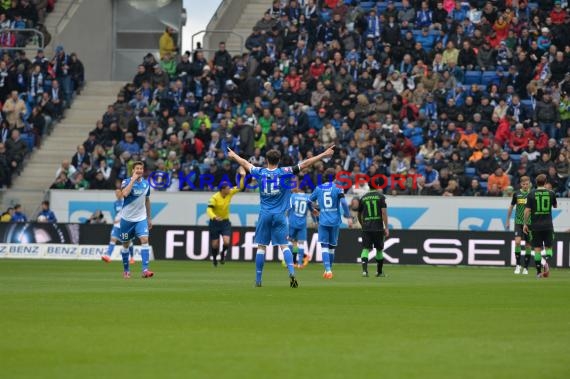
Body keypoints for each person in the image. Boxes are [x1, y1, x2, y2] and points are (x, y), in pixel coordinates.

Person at [227, 145, 335, 288]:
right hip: (280, 215)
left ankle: (258, 280)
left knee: (261, 247)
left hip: (265, 214)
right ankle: (292, 273)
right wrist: (323, 154)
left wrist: (234, 155)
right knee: (284, 246)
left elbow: (245, 163)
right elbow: (306, 163)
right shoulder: (285, 171)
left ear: (266, 160)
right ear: (279, 161)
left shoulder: (260, 172)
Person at [309, 168, 352, 279]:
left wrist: (312, 210)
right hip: (335, 221)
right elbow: (343, 203)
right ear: (335, 177)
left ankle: (328, 270)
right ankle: (329, 270)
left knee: (324, 246)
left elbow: (308, 201)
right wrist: (348, 216)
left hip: (323, 220)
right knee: (331, 247)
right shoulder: (338, 188)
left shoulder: (318, 188)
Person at [119, 161, 153, 279]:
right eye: (137, 168)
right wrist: (133, 180)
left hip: (141, 218)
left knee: (144, 239)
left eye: (141, 169)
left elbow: (147, 200)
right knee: (125, 245)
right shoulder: (126, 181)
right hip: (127, 219)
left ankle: (145, 270)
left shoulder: (146, 184)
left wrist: (149, 218)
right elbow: (124, 194)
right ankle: (126, 270)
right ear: (133, 170)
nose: (139, 170)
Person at [207, 166, 246, 266]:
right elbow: (209, 209)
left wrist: (242, 177)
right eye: (228, 188)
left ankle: (223, 254)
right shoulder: (214, 198)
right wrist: (214, 217)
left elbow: (239, 187)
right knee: (215, 244)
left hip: (225, 222)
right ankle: (215, 258)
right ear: (222, 190)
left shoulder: (229, 194)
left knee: (226, 242)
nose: (230, 189)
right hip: (215, 222)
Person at [523, 174, 557, 278]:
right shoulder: (551, 193)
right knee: (549, 248)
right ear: (545, 182)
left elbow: (527, 211)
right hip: (548, 225)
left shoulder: (531, 194)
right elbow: (555, 206)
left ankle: (538, 272)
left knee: (537, 249)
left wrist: (525, 223)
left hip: (535, 226)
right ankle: (546, 262)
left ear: (536, 182)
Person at [358, 189, 389, 277]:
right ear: (378, 186)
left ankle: (364, 271)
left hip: (366, 228)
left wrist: (362, 224)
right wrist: (386, 227)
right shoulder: (381, 197)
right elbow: (384, 213)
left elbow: (359, 214)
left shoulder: (363, 198)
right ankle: (379, 272)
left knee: (365, 249)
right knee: (379, 249)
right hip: (378, 228)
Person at [505, 176, 532, 275]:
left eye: (527, 184)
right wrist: (507, 220)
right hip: (518, 222)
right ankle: (517, 265)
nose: (525, 186)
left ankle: (526, 267)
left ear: (529, 184)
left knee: (528, 245)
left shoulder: (532, 194)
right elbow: (511, 207)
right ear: (521, 184)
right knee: (517, 242)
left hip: (530, 223)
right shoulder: (517, 194)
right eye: (524, 184)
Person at [102, 188, 134, 264]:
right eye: (115, 193)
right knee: (113, 239)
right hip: (116, 225)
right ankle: (108, 256)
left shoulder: (126, 202)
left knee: (129, 242)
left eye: (118, 193)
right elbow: (117, 213)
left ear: (121, 193)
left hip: (125, 225)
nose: (117, 195)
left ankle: (132, 257)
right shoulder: (115, 203)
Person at [287, 185, 315, 268]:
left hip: (292, 223)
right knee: (301, 243)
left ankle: (290, 262)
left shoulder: (293, 196)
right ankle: (299, 263)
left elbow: (288, 208)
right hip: (302, 224)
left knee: (292, 242)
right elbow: (311, 210)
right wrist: (315, 221)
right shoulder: (308, 197)